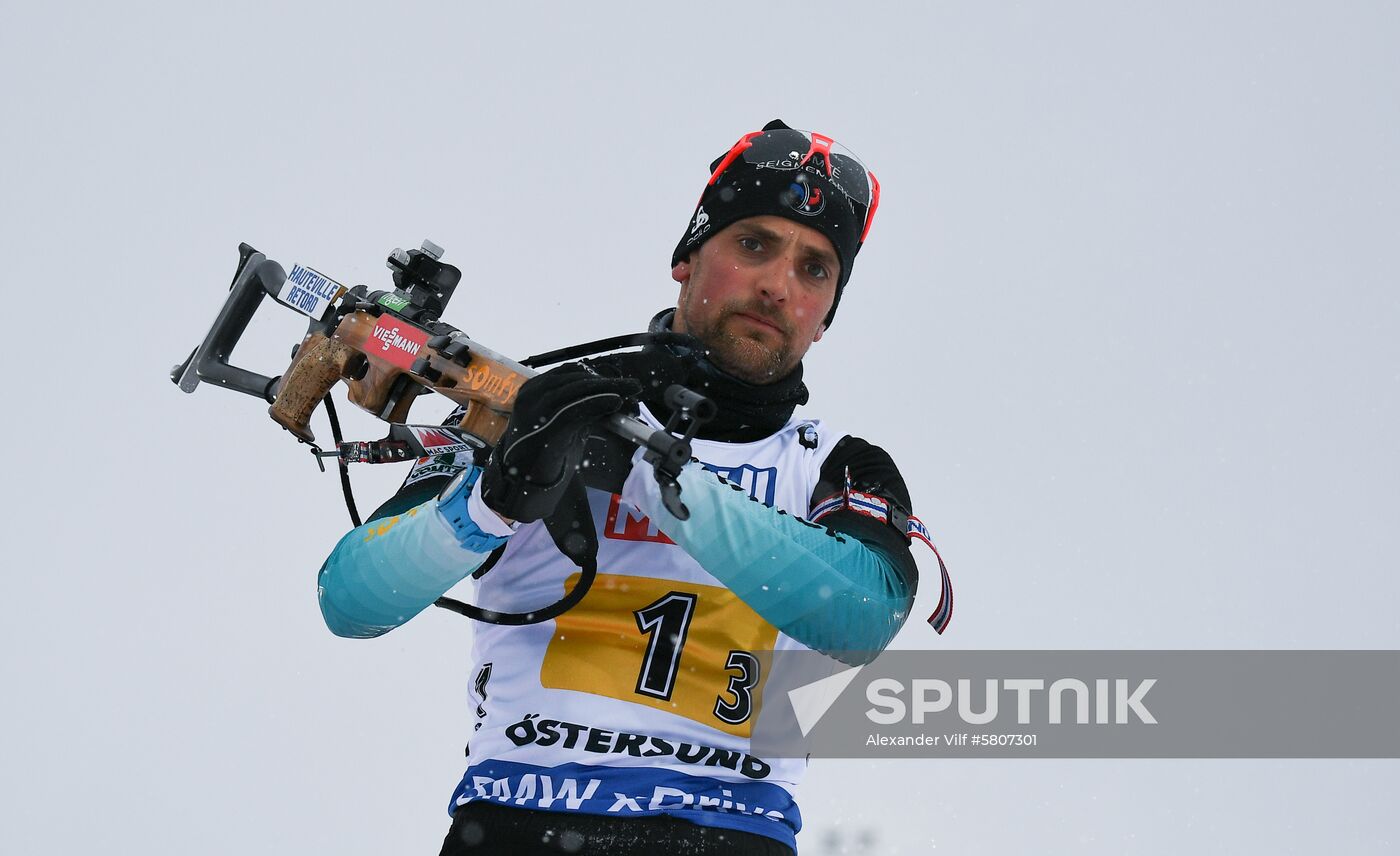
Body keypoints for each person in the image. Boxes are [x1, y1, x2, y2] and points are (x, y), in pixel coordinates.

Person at [316, 120, 951, 856]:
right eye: (753, 245)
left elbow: (859, 617)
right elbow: (351, 600)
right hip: (519, 825)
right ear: (687, 258)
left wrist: (648, 473)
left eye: (815, 270)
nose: (779, 285)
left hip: (731, 833)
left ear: (828, 313)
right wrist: (489, 501)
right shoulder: (538, 408)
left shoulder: (839, 466)